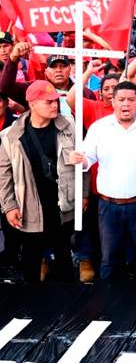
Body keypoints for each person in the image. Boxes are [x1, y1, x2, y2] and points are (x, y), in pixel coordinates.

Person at [69, 81, 136, 281]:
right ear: (112, 101)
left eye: (131, 100)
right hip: (109, 206)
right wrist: (79, 160)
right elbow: (87, 159)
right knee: (109, 258)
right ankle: (108, 306)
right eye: (121, 100)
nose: (126, 104)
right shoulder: (99, 128)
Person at [0, 81, 86, 282]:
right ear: (32, 104)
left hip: (61, 202)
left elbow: (82, 159)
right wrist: (9, 206)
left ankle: (66, 301)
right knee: (30, 256)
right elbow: (3, 174)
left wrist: (83, 193)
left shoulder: (69, 126)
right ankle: (31, 304)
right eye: (48, 102)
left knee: (63, 253)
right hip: (28, 204)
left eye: (55, 100)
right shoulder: (10, 135)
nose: (54, 105)